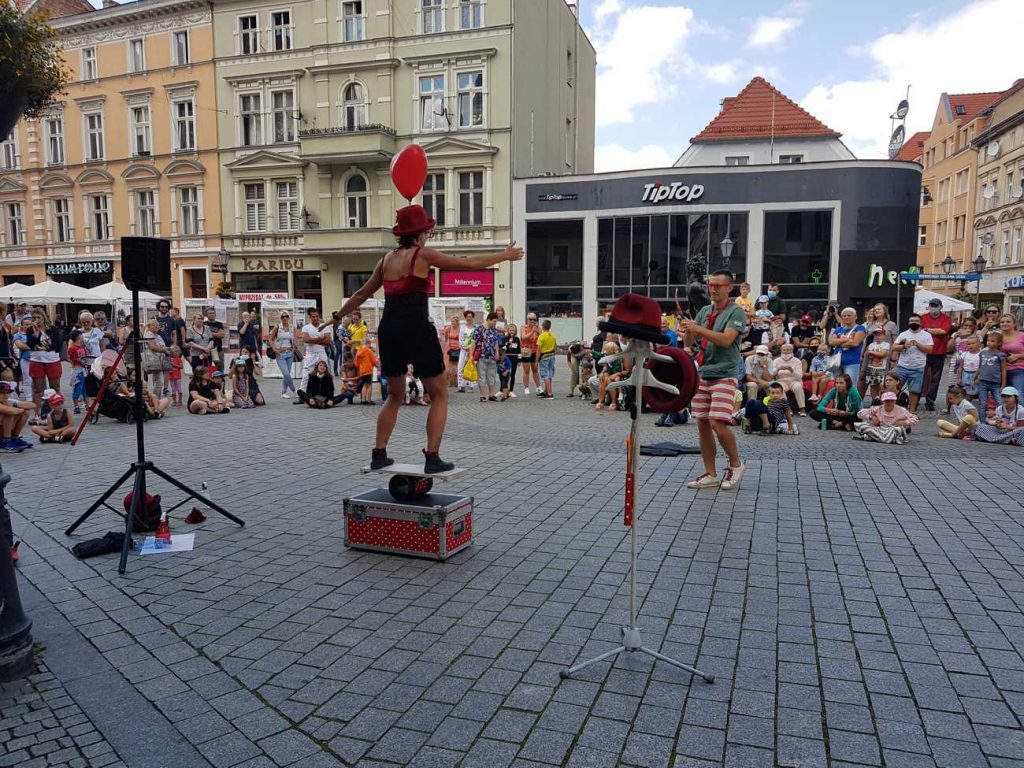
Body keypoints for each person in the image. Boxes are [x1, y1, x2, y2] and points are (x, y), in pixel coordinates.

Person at [322, 204, 523, 471]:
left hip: (390, 329)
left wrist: (337, 316)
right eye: (427, 231)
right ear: (420, 234)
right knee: (439, 393)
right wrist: (505, 255)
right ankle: (432, 457)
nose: (428, 235)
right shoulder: (423, 254)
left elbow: (361, 295)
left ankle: (379, 453)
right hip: (416, 328)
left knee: (394, 395)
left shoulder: (384, 261)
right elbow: (468, 263)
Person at [679, 270, 747, 490]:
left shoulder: (736, 312)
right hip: (704, 372)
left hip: (725, 373)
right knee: (702, 423)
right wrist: (687, 331)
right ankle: (710, 473)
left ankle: (736, 464)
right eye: (711, 285)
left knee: (717, 421)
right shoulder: (704, 311)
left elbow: (727, 340)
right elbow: (691, 343)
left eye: (718, 285)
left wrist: (697, 328)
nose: (713, 289)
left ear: (729, 288)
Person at [891, 314, 934, 412]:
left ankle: (911, 411)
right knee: (895, 388)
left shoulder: (926, 335)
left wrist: (918, 344)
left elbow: (930, 350)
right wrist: (903, 346)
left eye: (916, 321)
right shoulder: (903, 334)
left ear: (920, 323)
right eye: (911, 321)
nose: (913, 322)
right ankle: (894, 409)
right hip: (902, 367)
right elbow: (894, 347)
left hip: (918, 368)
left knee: (914, 391)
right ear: (908, 322)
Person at [26, 308, 63, 413]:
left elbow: (57, 345)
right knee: (37, 388)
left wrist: (46, 347)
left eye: (39, 317)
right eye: (34, 318)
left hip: (52, 360)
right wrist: (36, 334)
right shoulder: (30, 330)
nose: (36, 320)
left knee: (55, 386)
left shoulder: (53, 329)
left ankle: (57, 412)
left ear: (44, 317)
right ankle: (37, 414)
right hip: (37, 360)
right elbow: (31, 345)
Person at [920, 297, 952, 411]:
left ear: (940, 307)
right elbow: (919, 330)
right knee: (920, 376)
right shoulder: (923, 317)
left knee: (935, 379)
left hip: (939, 352)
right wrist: (934, 331)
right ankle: (917, 397)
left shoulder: (946, 318)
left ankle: (930, 401)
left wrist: (927, 330)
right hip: (924, 352)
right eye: (931, 305)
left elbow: (943, 331)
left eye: (935, 305)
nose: (933, 308)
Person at [854, 391, 918, 443]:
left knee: (899, 429)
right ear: (883, 401)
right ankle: (887, 439)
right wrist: (871, 418)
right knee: (861, 425)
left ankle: (877, 438)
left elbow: (915, 418)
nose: (889, 403)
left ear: (895, 401)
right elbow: (860, 413)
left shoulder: (901, 410)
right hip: (879, 429)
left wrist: (904, 422)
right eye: (887, 401)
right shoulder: (878, 409)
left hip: (893, 429)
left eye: (891, 401)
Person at [296, 307, 330, 403]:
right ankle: (301, 395)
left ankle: (326, 394)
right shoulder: (306, 327)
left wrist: (313, 340)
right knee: (307, 374)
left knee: (324, 374)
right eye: (313, 317)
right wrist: (320, 339)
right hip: (310, 354)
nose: (316, 318)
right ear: (310, 317)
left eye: (317, 316)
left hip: (321, 353)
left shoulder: (325, 326)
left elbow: (328, 341)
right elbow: (306, 340)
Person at [828, 307, 866, 384]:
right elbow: (831, 342)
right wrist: (844, 340)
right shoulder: (838, 329)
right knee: (838, 386)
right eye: (844, 316)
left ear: (855, 317)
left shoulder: (860, 328)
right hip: (837, 363)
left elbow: (855, 343)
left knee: (851, 385)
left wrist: (838, 342)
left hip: (852, 362)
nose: (846, 317)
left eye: (849, 315)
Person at [472, 311, 504, 402]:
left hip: (492, 356)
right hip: (482, 356)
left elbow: (496, 342)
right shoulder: (479, 329)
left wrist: (497, 352)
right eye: (494, 321)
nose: (495, 323)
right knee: (482, 376)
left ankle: (491, 394)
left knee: (491, 376)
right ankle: (482, 395)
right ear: (489, 320)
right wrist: (471, 355)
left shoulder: (493, 330)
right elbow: (473, 342)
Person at [976, 331, 1007, 423]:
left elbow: (1003, 370)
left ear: (999, 343)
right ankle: (982, 423)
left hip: (995, 383)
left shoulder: (1001, 355)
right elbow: (980, 366)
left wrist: (1003, 385)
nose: (989, 343)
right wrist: (976, 376)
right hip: (982, 382)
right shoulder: (983, 353)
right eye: (988, 340)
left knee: (1000, 402)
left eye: (992, 341)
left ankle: (1001, 421)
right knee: (982, 403)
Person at [770, 343, 806, 416]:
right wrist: (778, 369)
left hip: (794, 380)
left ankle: (802, 409)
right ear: (781, 351)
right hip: (781, 380)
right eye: (784, 350)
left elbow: (799, 376)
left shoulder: (797, 361)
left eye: (788, 350)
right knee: (780, 388)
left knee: (798, 387)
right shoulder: (776, 361)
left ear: (792, 351)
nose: (786, 352)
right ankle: (788, 409)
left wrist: (791, 370)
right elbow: (772, 374)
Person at [269, 311, 298, 398]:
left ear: (289, 317)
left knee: (287, 374)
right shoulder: (277, 327)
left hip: (289, 353)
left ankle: (283, 393)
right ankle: (294, 390)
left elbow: (293, 339)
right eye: (283, 317)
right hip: (280, 354)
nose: (285, 318)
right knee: (286, 373)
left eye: (286, 316)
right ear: (280, 318)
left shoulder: (291, 327)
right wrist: (275, 350)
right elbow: (270, 339)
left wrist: (294, 347)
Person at [0, 381, 32, 452]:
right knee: (9, 413)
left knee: (26, 412)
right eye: (2, 393)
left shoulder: (7, 400)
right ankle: (6, 442)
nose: (5, 395)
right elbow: (11, 411)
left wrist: (15, 405)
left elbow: (32, 405)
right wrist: (18, 408)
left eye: (7, 393)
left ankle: (14, 438)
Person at [142, 318, 168, 400]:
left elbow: (163, 346)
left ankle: (155, 399)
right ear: (149, 326)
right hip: (152, 361)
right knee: (158, 381)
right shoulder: (149, 334)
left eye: (157, 325)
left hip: (158, 361)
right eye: (153, 325)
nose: (156, 326)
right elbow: (152, 347)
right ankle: (155, 399)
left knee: (158, 381)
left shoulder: (158, 335)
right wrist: (164, 350)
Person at [863, 327, 891, 403]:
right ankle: (874, 401)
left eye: (880, 334)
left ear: (884, 336)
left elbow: (883, 354)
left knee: (881, 385)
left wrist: (872, 353)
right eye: (875, 335)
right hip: (871, 368)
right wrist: (877, 354)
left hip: (881, 369)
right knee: (872, 385)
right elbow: (867, 354)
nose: (877, 336)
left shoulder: (886, 344)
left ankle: (882, 400)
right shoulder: (871, 344)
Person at [999, 313, 1024, 394]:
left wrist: (1017, 356)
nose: (1004, 324)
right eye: (1002, 322)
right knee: (1001, 396)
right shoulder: (997, 336)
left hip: (1018, 370)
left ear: (1014, 324)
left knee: (1018, 395)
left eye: (1008, 321)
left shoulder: (1021, 335)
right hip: (1000, 370)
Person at [953, 334, 981, 401]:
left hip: (976, 375)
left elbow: (981, 367)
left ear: (979, 344)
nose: (970, 345)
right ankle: (967, 406)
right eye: (969, 344)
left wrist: (979, 376)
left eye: (973, 343)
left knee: (977, 392)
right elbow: (960, 367)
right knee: (966, 392)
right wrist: (959, 378)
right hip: (966, 375)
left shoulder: (981, 354)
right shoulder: (964, 354)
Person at [67, 330, 88, 414]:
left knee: (84, 389)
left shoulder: (82, 347)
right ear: (78, 337)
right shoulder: (72, 348)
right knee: (77, 388)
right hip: (77, 370)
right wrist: (77, 361)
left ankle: (87, 405)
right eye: (81, 335)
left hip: (83, 370)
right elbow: (69, 358)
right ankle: (76, 406)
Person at [457, 310, 477, 393]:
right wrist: (464, 347)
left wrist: (470, 348)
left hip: (472, 351)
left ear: (473, 318)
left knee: (471, 367)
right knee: (460, 367)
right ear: (465, 318)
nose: (469, 318)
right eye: (468, 317)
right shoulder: (462, 328)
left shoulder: (476, 328)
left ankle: (471, 386)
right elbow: (460, 339)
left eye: (470, 317)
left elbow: (477, 340)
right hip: (463, 350)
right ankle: (461, 386)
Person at [536, 319, 557, 399]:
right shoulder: (552, 335)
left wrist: (536, 360)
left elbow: (539, 349)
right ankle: (545, 391)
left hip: (544, 357)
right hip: (552, 356)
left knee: (545, 375)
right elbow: (555, 346)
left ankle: (549, 393)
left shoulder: (541, 336)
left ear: (542, 326)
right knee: (550, 374)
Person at [520, 313, 540, 395]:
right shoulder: (523, 327)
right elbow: (523, 337)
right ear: (527, 319)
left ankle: (538, 387)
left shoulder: (538, 328)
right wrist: (532, 331)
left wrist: (538, 331)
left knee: (535, 369)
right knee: (526, 370)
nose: (532, 321)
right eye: (530, 319)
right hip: (526, 351)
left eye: (534, 319)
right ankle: (526, 387)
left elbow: (542, 337)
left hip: (535, 351)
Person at [501, 324, 521, 400]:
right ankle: (503, 390)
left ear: (515, 331)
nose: (511, 332)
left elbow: (519, 350)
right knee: (505, 374)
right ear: (508, 331)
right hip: (507, 357)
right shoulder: (505, 338)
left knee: (513, 374)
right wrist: (509, 343)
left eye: (513, 330)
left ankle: (511, 390)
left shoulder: (517, 339)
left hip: (514, 357)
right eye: (510, 330)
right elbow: (503, 349)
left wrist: (519, 360)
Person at [443, 316, 461, 387]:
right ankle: (448, 382)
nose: (452, 323)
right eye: (452, 321)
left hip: (458, 348)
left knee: (456, 366)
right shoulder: (448, 328)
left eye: (454, 321)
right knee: (448, 366)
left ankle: (456, 382)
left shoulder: (460, 329)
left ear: (457, 322)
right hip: (449, 348)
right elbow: (446, 338)